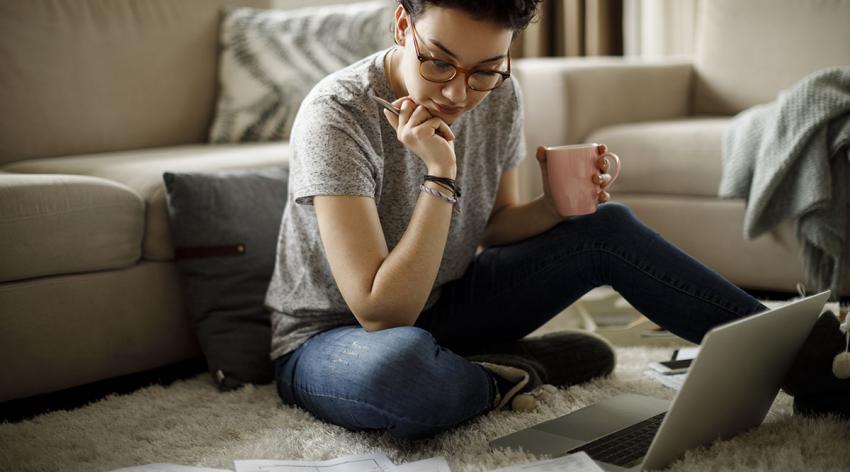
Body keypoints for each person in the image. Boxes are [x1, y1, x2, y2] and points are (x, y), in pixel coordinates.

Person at [264, 0, 767, 439]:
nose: (459, 94)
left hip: (448, 305)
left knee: (606, 227)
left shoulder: (501, 93)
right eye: (439, 63)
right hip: (332, 337)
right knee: (401, 375)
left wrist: (552, 206)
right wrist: (440, 175)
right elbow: (381, 312)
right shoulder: (337, 114)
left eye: (485, 70)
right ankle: (515, 370)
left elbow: (495, 225)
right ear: (402, 27)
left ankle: (799, 353)